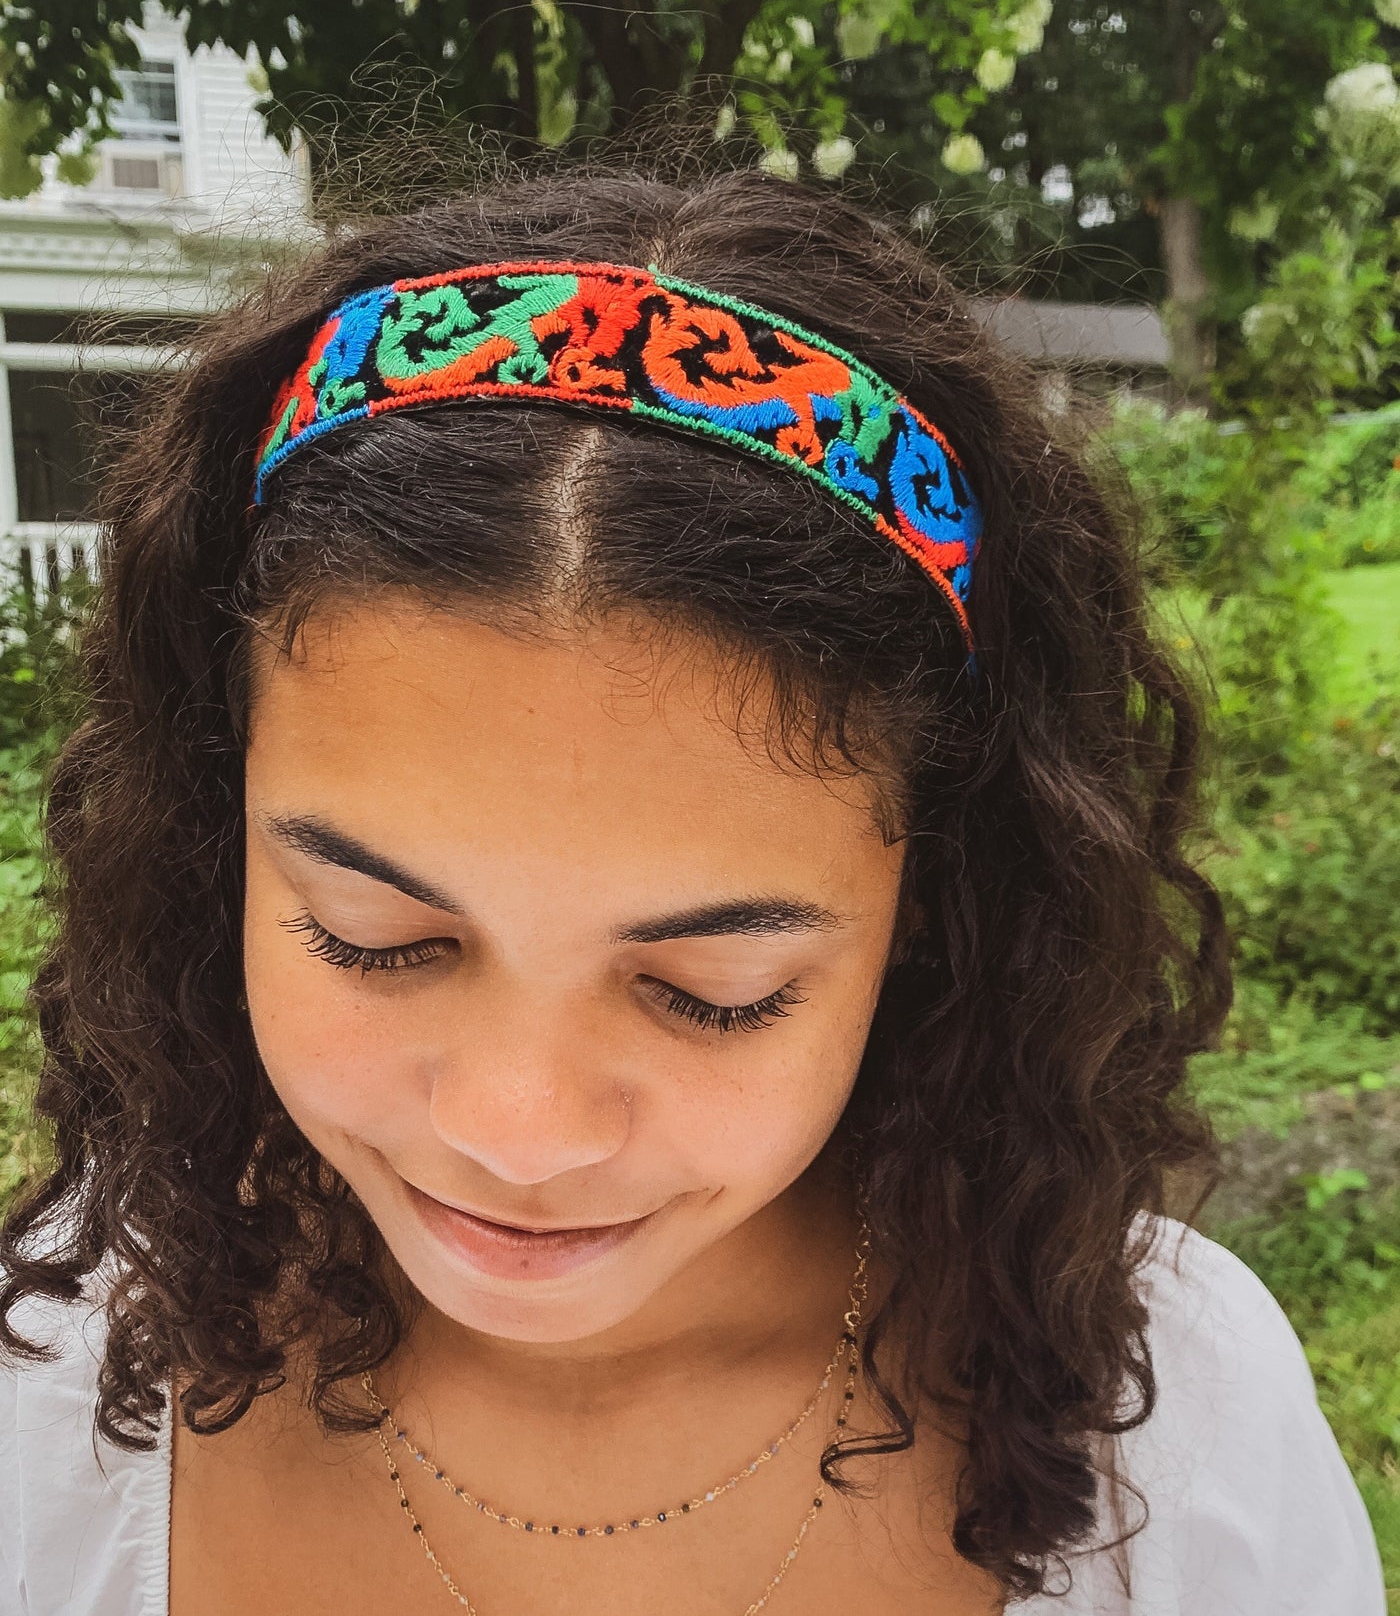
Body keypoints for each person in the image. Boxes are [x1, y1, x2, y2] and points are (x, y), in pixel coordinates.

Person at [0, 168, 1384, 1615]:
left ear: (929, 894)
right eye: (374, 940)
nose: (520, 1132)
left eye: (713, 992)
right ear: (219, 833)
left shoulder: (1172, 1437)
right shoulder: (44, 1406)